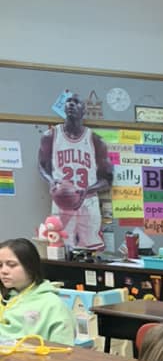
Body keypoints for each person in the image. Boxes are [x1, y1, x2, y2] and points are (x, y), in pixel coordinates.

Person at [38, 91, 114, 250]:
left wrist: (86, 190)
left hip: (88, 201)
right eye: (68, 101)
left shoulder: (96, 140)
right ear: (64, 108)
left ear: (84, 110)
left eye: (76, 102)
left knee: (92, 252)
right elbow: (42, 165)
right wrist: (51, 181)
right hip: (62, 202)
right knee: (61, 249)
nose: (71, 104)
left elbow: (108, 179)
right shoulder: (50, 135)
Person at [0, 237, 75, 344]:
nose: (3, 271)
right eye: (0, 265)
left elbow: (63, 351)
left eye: (11, 265)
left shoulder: (52, 305)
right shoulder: (5, 298)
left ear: (30, 266)